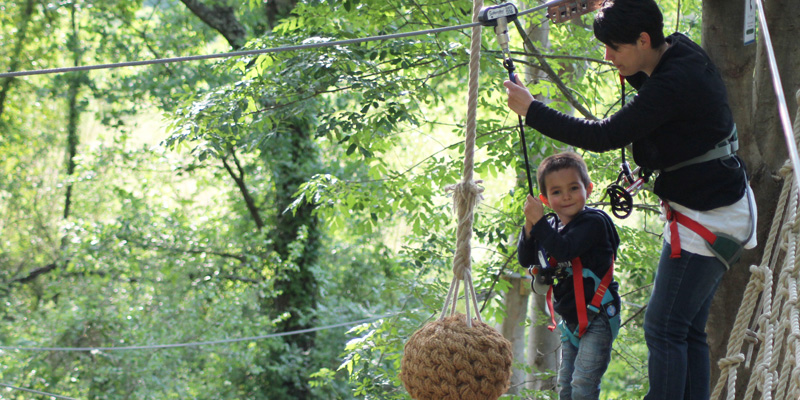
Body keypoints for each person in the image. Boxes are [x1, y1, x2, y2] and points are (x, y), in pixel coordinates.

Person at [504, 0, 757, 399]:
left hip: (709, 217)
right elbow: (653, 100)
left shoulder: (674, 81)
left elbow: (605, 136)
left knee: (663, 328)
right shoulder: (677, 50)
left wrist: (532, 110)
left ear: (643, 39)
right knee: (685, 330)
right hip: (718, 209)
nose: (607, 57)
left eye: (614, 48)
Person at [518, 151, 621, 400]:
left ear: (589, 188)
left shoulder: (593, 223)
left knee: (583, 382)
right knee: (566, 385)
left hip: (598, 317)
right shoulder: (552, 226)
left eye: (573, 188)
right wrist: (531, 225)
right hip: (572, 321)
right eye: (556, 192)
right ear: (545, 198)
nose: (566, 196)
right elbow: (527, 259)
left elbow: (565, 249)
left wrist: (540, 222)